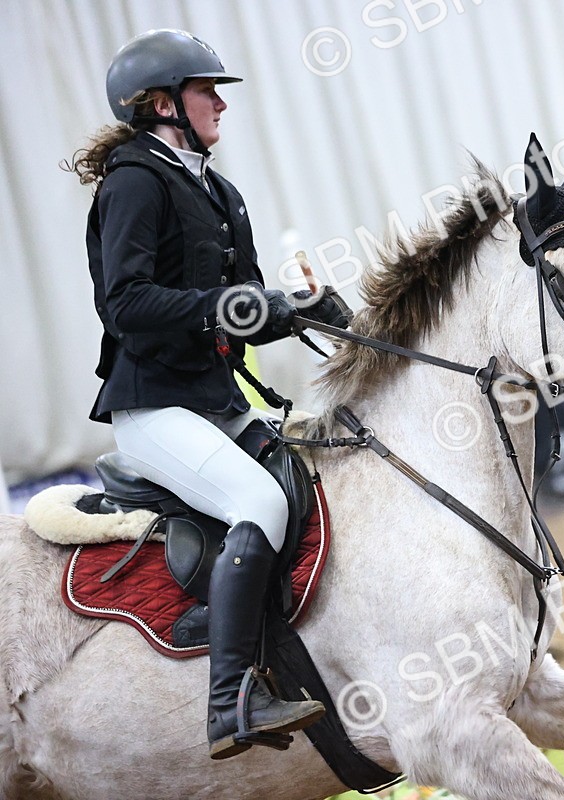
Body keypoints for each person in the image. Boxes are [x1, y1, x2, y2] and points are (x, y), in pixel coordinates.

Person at [67, 29, 349, 760]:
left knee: (318, 477)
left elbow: (246, 301)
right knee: (257, 502)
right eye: (206, 90)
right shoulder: (133, 180)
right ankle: (230, 702)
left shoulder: (219, 191)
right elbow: (125, 303)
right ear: (163, 105)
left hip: (216, 400)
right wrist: (227, 309)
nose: (220, 102)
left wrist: (305, 308)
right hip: (154, 406)